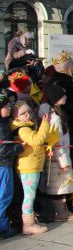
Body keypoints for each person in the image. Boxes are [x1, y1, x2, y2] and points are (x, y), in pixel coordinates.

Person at [38, 83, 73, 222]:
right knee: (58, 187)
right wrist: (64, 162)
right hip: (58, 158)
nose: (66, 97)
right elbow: (56, 141)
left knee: (58, 186)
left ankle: (60, 211)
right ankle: (61, 213)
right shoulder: (54, 117)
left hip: (58, 155)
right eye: (62, 95)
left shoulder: (56, 112)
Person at [11, 101, 51, 234]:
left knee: (30, 195)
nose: (27, 115)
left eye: (28, 112)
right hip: (28, 167)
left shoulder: (27, 127)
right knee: (29, 196)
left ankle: (31, 221)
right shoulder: (23, 129)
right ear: (16, 116)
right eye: (23, 113)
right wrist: (45, 124)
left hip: (32, 165)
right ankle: (28, 224)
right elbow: (37, 140)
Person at [0, 96, 22, 239]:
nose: (9, 108)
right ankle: (3, 228)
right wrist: (19, 147)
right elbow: (2, 150)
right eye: (6, 106)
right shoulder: (1, 126)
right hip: (3, 165)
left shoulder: (3, 123)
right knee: (4, 197)